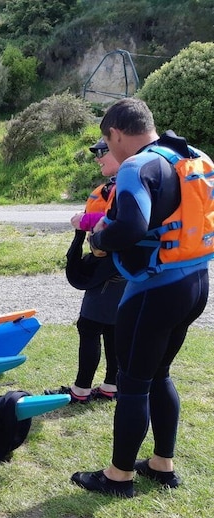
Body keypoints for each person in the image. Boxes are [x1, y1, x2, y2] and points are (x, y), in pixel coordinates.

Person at [71, 98, 210, 497]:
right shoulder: (192, 156)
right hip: (196, 282)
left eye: (106, 140)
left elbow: (129, 225)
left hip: (155, 288)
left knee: (133, 383)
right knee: (160, 374)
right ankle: (161, 464)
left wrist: (98, 240)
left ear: (116, 133)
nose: (107, 149)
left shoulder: (137, 165)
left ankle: (118, 477)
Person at [45, 139, 126, 403]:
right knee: (113, 328)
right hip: (121, 268)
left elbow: (118, 222)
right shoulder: (123, 182)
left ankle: (80, 391)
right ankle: (111, 386)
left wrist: (85, 221)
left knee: (89, 326)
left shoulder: (126, 183)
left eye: (103, 152)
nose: (98, 157)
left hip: (109, 269)